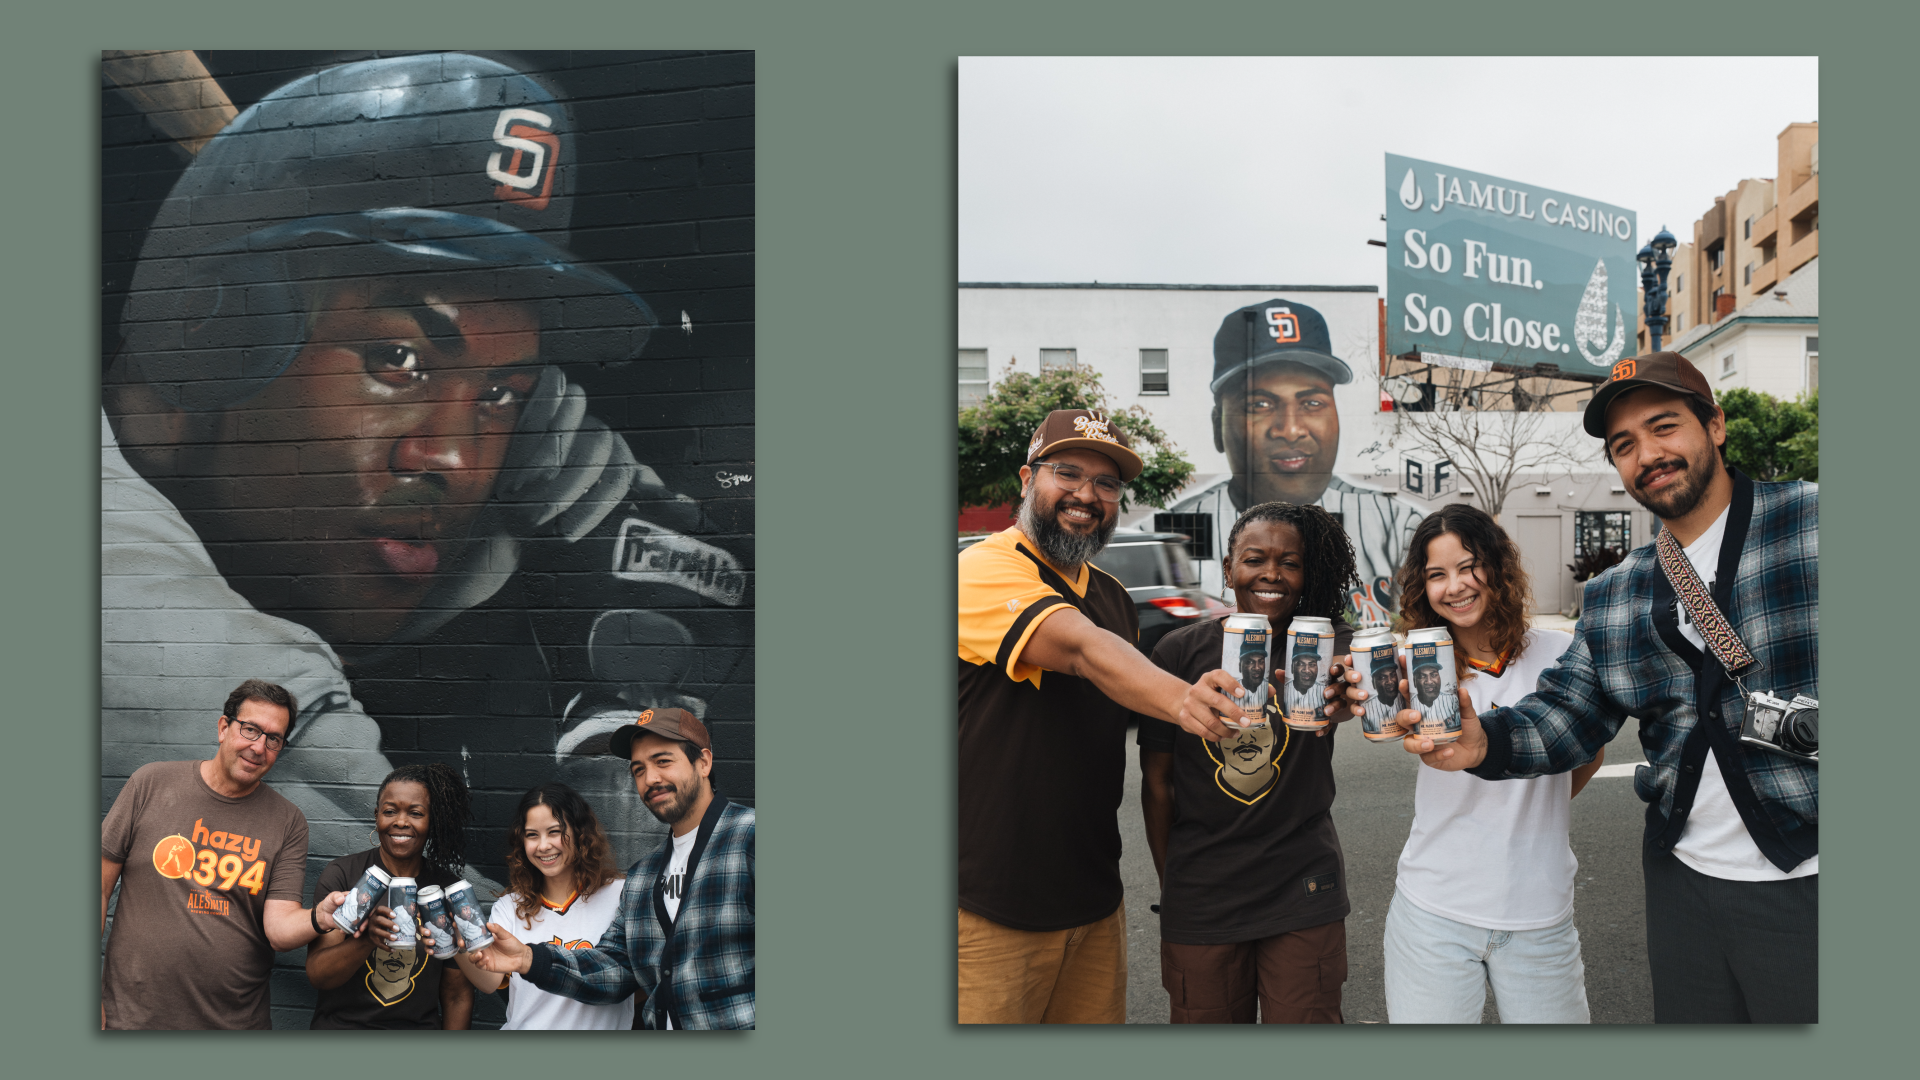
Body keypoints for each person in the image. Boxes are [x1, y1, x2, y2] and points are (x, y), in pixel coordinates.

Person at [101, 52, 747, 876]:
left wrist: (619, 720)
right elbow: (449, 952)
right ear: (210, 337)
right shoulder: (127, 612)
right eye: (397, 359)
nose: (451, 455)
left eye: (499, 392)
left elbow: (677, 565)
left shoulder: (510, 420)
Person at [1391, 353, 1818, 1023]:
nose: (1648, 453)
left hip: (1809, 878)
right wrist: (1482, 742)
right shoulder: (1617, 593)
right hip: (1683, 885)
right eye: (1624, 445)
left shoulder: (1812, 527)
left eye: (1664, 427)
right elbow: (1568, 715)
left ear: (1716, 425)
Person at [956, 409, 1245, 1024]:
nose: (1087, 495)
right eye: (1068, 473)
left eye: (1107, 484)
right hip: (984, 904)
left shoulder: (1112, 594)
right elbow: (1086, 651)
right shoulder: (980, 568)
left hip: (1092, 896)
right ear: (1027, 479)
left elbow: (1118, 683)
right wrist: (1185, 699)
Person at [1137, 501, 1366, 1024]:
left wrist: (1349, 691)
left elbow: (1352, 686)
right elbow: (1158, 784)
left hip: (1303, 888)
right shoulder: (1178, 653)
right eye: (1255, 558)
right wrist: (1173, 884)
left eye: (1290, 562)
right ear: (1228, 567)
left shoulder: (1326, 642)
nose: (1272, 574)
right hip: (1202, 893)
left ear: (1307, 574)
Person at [1381, 504, 1605, 1024]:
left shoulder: (1562, 654)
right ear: (1422, 587)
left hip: (1540, 914)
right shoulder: (1414, 667)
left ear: (1498, 568)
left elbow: (1588, 752)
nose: (1454, 586)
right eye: (1437, 575)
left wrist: (1527, 806)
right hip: (1432, 912)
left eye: (1468, 566)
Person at [468, 709, 754, 1029]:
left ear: (703, 762)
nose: (651, 778)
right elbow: (614, 972)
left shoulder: (750, 839)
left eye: (663, 761)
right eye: (638, 769)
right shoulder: (643, 877)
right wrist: (528, 960)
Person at [100, 680, 354, 1029]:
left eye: (273, 739)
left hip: (233, 1027)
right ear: (223, 727)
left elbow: (279, 929)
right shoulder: (150, 784)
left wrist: (319, 917)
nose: (258, 747)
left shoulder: (288, 822)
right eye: (250, 730)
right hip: (133, 1021)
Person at [1161, 299, 1422, 618]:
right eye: (1259, 405)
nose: (1291, 429)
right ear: (1218, 425)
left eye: (1312, 403)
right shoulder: (1170, 538)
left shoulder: (1400, 528)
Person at [306, 764, 476, 1029]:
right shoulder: (344, 875)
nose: (400, 822)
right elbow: (318, 975)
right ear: (377, 816)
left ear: (432, 820)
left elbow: (456, 995)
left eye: (416, 813)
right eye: (390, 811)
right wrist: (367, 941)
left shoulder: (447, 890)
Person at [452, 784, 634, 1029]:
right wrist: (457, 944)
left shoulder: (620, 895)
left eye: (554, 832)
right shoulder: (509, 907)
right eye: (532, 835)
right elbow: (489, 982)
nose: (543, 846)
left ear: (580, 832)